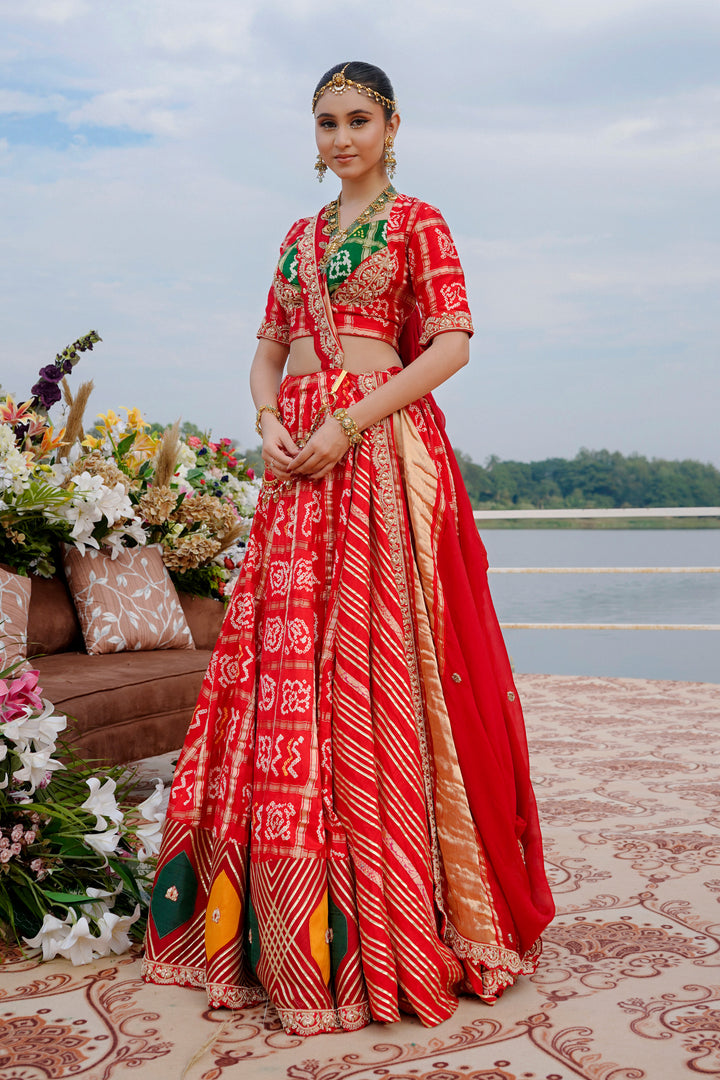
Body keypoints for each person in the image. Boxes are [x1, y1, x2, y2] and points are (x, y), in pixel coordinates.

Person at [142, 60, 555, 1037]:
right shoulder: (298, 239)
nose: (340, 139)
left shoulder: (420, 224)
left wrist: (350, 423)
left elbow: (450, 343)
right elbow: (269, 349)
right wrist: (264, 418)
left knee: (377, 667)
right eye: (326, 122)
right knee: (285, 670)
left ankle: (399, 908)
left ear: (392, 123)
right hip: (296, 476)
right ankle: (271, 921)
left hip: (377, 463)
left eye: (357, 119)